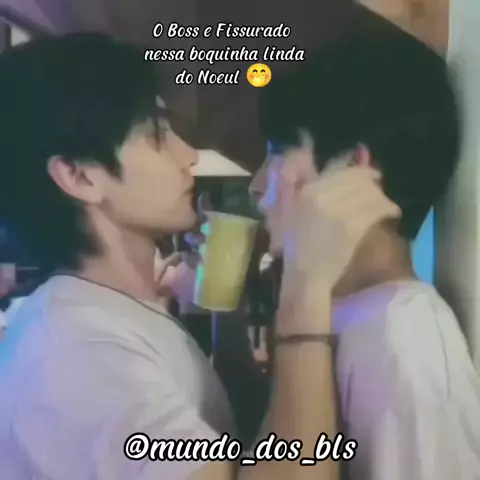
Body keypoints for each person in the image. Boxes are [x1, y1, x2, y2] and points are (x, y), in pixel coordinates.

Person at [0, 33, 400, 480]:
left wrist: (226, 314)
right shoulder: (78, 355)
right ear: (79, 177)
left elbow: (235, 444)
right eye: (156, 135)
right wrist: (303, 294)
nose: (188, 155)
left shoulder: (111, 315)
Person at [249, 29, 480, 479]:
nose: (258, 186)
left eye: (277, 153)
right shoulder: (345, 313)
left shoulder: (406, 341)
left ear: (353, 168)